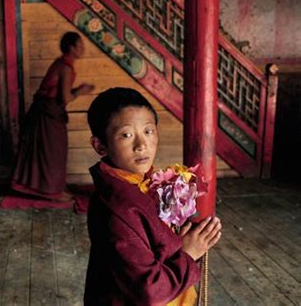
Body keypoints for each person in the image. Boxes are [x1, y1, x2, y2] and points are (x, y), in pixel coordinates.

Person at [85, 87, 222, 305]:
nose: (142, 145)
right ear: (100, 145)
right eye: (126, 135)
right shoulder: (117, 207)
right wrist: (188, 254)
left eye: (148, 131)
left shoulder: (146, 182)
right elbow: (148, 290)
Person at [11, 32, 95, 202]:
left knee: (50, 152)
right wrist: (81, 90)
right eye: (79, 45)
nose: (82, 49)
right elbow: (65, 98)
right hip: (47, 113)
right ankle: (52, 192)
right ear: (71, 48)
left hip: (47, 112)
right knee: (53, 153)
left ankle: (51, 188)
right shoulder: (65, 67)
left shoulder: (62, 63)